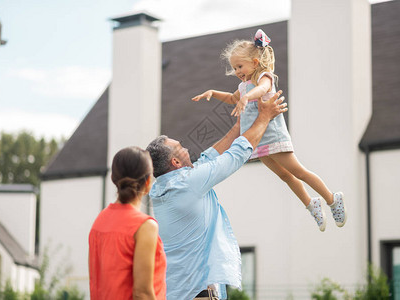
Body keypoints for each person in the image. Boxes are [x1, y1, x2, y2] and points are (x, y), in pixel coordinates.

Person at [192, 29, 347, 231]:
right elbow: (232, 99)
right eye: (234, 68)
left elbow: (263, 90)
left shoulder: (264, 77)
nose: (237, 71)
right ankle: (311, 204)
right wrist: (213, 93)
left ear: (254, 63)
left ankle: (332, 199)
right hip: (258, 141)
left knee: (298, 171)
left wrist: (249, 97)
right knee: (285, 176)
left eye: (240, 66)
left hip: (273, 136)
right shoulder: (243, 87)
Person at [147, 90, 287, 300]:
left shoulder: (162, 190)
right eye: (180, 147)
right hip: (199, 295)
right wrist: (264, 117)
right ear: (175, 162)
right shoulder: (188, 184)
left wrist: (240, 125)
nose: (186, 148)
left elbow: (208, 158)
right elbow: (235, 155)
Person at [89, 147, 166, 300]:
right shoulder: (145, 226)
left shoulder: (99, 221)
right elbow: (142, 293)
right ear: (148, 182)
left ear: (113, 178)